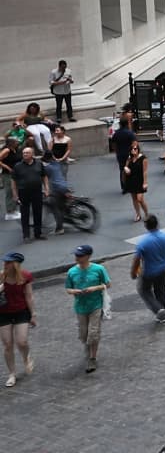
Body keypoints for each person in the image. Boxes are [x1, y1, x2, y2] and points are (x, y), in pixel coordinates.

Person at [131, 212, 165, 324]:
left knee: (144, 290)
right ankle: (162, 315)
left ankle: (158, 310)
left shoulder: (143, 242)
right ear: (157, 224)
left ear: (146, 226)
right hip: (164, 269)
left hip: (149, 272)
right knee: (160, 291)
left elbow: (137, 260)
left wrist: (133, 272)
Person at [65, 244, 109, 373]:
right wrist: (74, 291)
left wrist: (95, 288)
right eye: (76, 255)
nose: (77, 258)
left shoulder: (98, 269)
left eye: (80, 256)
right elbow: (68, 288)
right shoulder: (71, 272)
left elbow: (107, 284)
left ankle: (92, 358)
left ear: (88, 256)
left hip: (96, 305)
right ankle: (88, 347)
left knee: (93, 333)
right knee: (84, 335)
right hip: (80, 307)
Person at [0, 251, 35, 388]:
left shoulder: (25, 276)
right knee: (8, 344)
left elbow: (29, 296)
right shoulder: (1, 275)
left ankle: (26, 358)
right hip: (3, 313)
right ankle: (12, 374)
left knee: (22, 341)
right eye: (5, 262)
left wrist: (33, 314)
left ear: (15, 264)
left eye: (8, 262)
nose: (5, 264)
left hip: (21, 311)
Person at [11, 147, 48, 241]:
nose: (25, 154)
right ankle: (26, 235)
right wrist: (15, 194)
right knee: (25, 214)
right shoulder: (18, 166)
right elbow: (13, 181)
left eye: (27, 153)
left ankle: (38, 233)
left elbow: (44, 176)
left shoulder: (39, 164)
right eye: (24, 153)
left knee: (38, 212)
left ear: (32, 154)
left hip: (37, 192)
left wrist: (47, 188)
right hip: (23, 192)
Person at [122, 140, 149, 222]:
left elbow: (145, 171)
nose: (134, 150)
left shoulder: (143, 158)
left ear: (138, 149)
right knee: (134, 199)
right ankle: (138, 214)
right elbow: (125, 167)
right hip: (131, 180)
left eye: (135, 149)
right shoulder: (129, 158)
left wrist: (145, 182)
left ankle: (146, 214)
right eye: (132, 149)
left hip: (140, 180)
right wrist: (126, 169)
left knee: (140, 199)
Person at [111, 111, 137, 192]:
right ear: (127, 124)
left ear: (120, 124)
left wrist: (117, 152)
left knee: (122, 170)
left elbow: (113, 145)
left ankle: (124, 186)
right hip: (129, 154)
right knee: (131, 169)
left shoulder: (116, 134)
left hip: (120, 154)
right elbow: (134, 145)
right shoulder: (130, 133)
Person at [1, 137, 21, 221]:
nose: (18, 142)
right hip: (7, 175)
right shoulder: (7, 150)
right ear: (11, 143)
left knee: (15, 192)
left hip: (15, 174)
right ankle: (9, 212)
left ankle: (14, 210)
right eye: (16, 141)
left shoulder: (15, 150)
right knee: (10, 192)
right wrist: (7, 167)